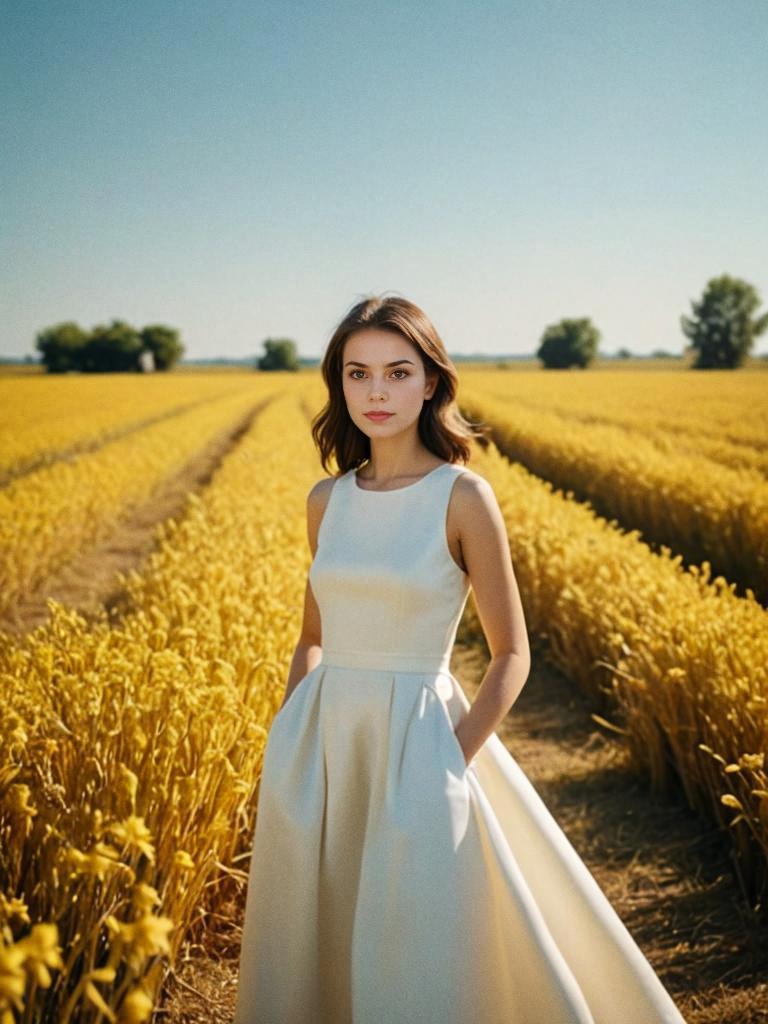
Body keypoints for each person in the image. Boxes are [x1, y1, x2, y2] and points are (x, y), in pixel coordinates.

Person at [233, 294, 687, 1023]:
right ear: (337, 384)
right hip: (322, 747)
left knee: (421, 941)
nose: (376, 392)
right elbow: (313, 635)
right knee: (321, 935)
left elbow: (512, 653)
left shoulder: (463, 496)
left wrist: (451, 757)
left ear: (431, 383)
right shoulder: (326, 501)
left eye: (397, 372)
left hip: (424, 741)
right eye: (357, 374)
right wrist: (290, 732)